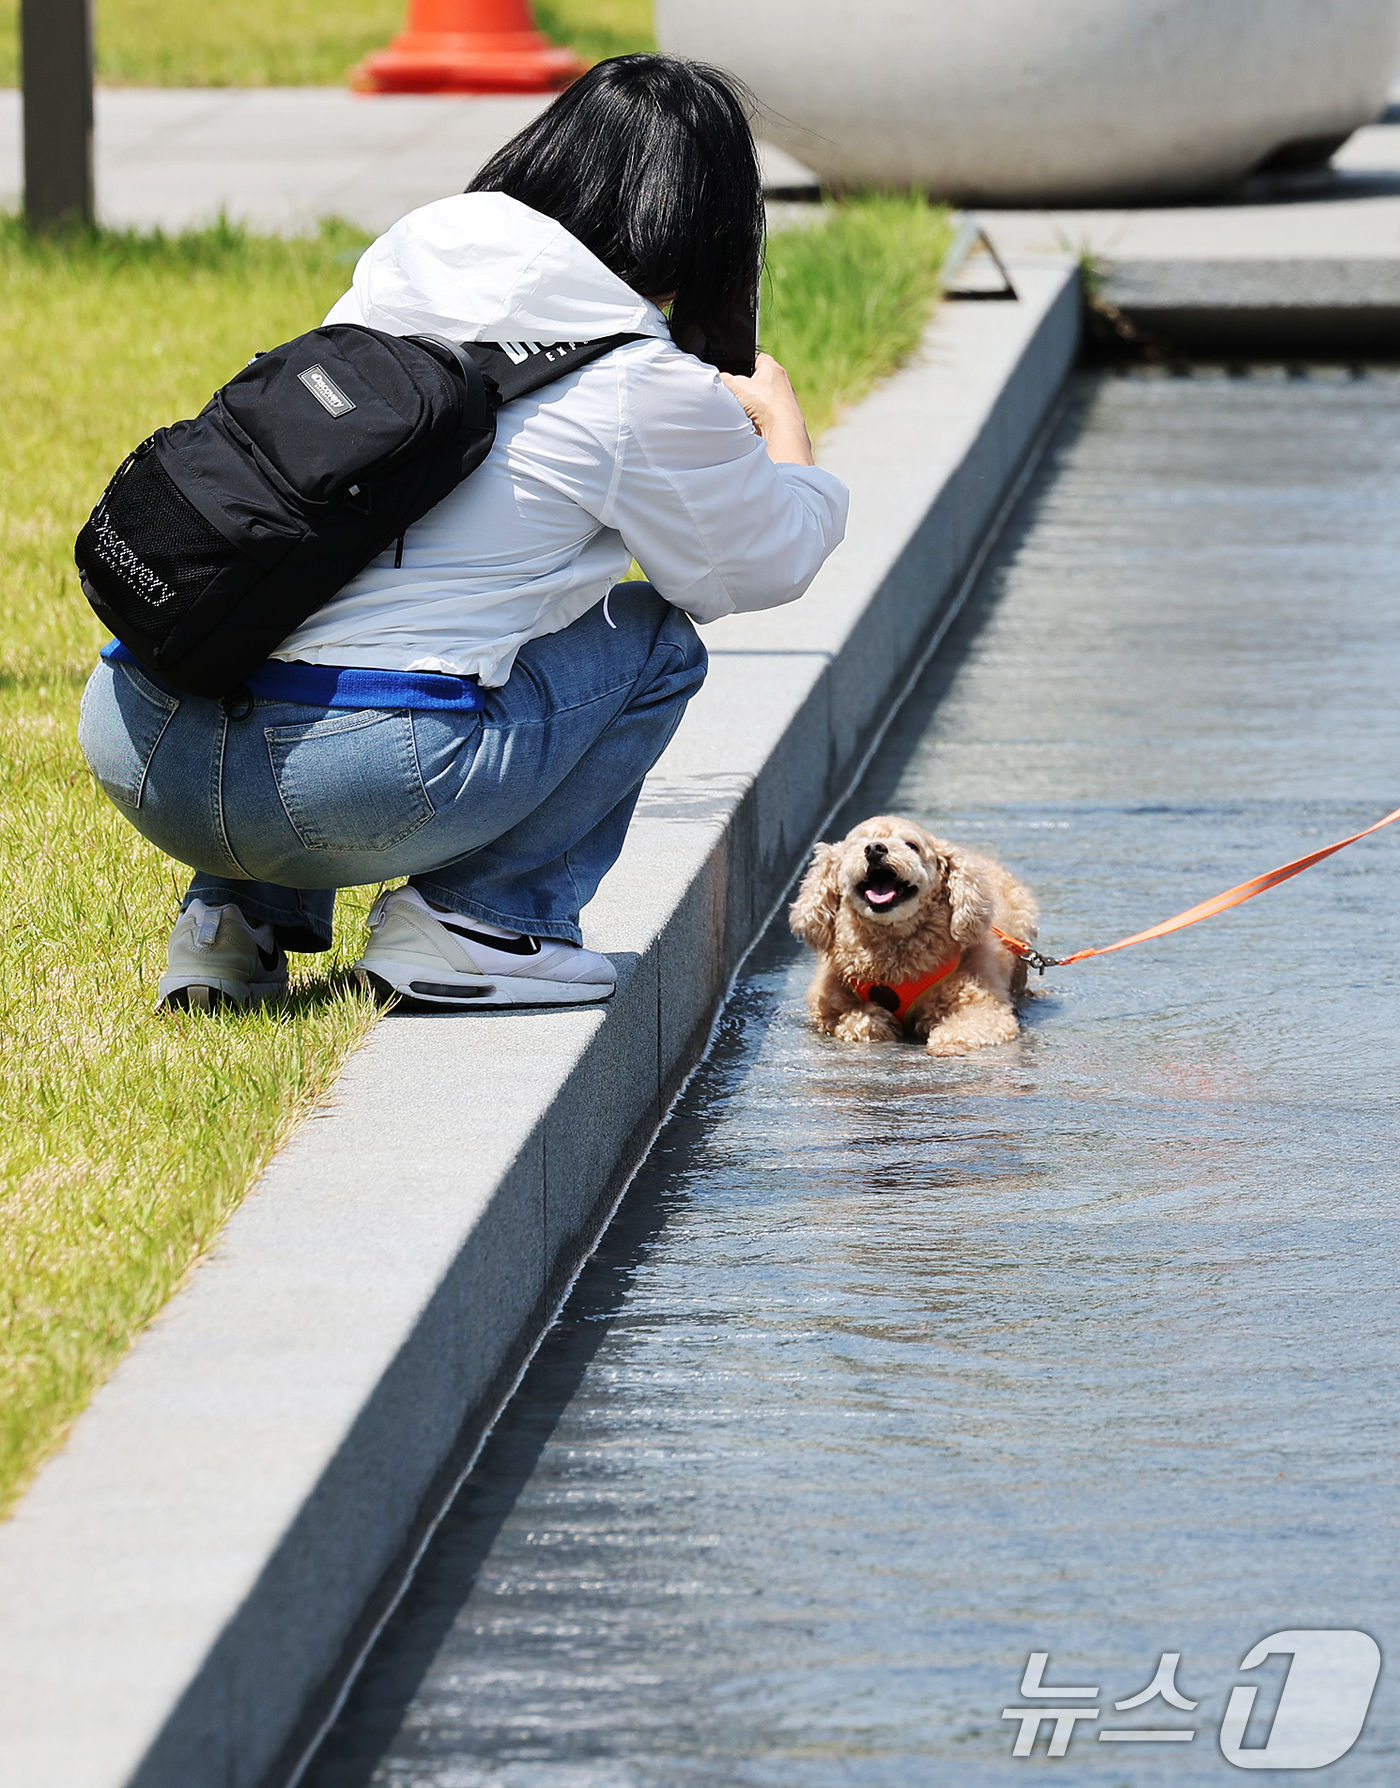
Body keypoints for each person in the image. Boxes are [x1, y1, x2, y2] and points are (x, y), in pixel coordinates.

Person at [78, 54, 848, 1013]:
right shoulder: (639, 382)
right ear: (710, 231)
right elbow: (756, 565)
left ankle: (231, 922)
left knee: (321, 582)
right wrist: (789, 442)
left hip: (142, 737)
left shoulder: (401, 271)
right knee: (656, 640)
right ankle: (483, 923)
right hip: (352, 784)